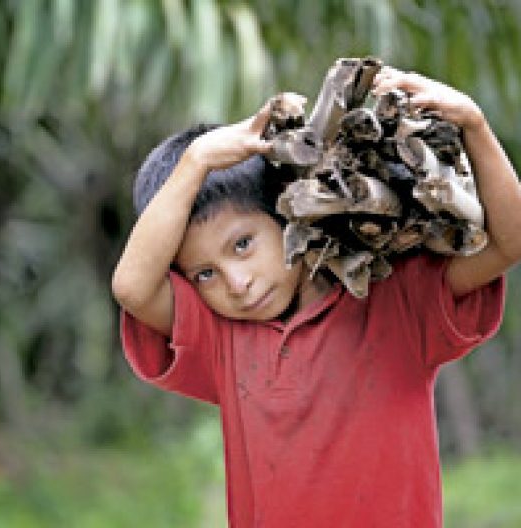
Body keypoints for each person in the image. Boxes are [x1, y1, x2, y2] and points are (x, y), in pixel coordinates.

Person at [111, 67, 520, 527]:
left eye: (243, 245)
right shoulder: (222, 340)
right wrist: (196, 162)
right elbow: (132, 287)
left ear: (290, 212)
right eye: (205, 273)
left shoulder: (396, 302)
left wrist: (475, 126)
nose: (237, 282)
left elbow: (509, 241)